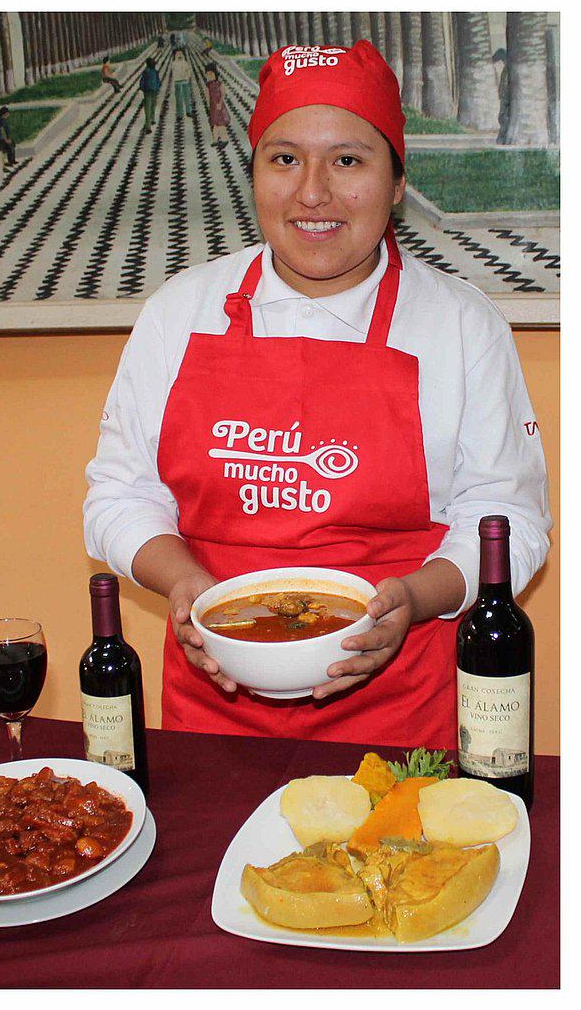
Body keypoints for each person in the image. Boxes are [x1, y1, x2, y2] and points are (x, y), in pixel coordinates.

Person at [83, 41, 549, 750]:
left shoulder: (459, 322)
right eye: (285, 158)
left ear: (397, 181)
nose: (312, 193)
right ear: (254, 173)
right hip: (213, 716)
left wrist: (414, 599)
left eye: (348, 159)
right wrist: (187, 588)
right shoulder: (179, 311)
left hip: (400, 719)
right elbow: (119, 496)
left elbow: (505, 518)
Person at [204, 64, 229, 145]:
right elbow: (207, 96)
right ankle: (215, 139)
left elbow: (223, 93)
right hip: (213, 107)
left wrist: (220, 103)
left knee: (221, 123)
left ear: (215, 73)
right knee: (214, 123)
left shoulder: (219, 84)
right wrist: (208, 106)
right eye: (208, 74)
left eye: (211, 74)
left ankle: (224, 139)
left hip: (219, 106)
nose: (210, 76)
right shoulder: (208, 86)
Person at [140, 58, 163, 134]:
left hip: (147, 92)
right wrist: (157, 87)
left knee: (147, 108)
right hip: (154, 91)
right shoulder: (156, 72)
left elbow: (142, 82)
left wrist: (142, 88)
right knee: (153, 105)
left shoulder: (145, 72)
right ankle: (152, 119)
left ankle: (148, 127)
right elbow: (159, 81)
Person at [171, 47, 194, 118]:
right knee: (178, 99)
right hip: (177, 82)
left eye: (181, 53)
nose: (179, 55)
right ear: (175, 55)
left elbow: (189, 71)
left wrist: (187, 77)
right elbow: (173, 73)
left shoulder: (185, 63)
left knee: (187, 97)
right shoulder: (174, 63)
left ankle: (188, 111)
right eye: (177, 54)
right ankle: (179, 114)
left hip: (185, 82)